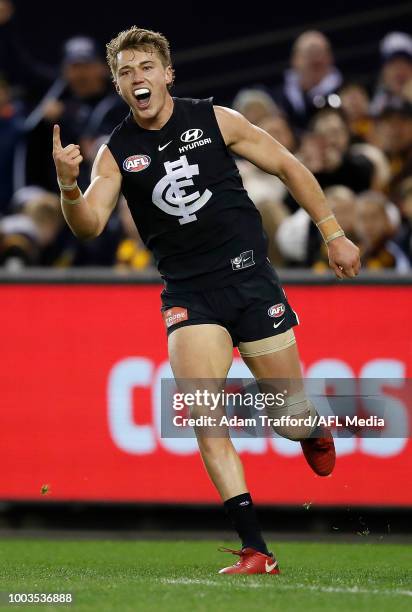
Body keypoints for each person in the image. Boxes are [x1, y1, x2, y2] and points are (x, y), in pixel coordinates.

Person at [52, 26, 360, 575]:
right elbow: (89, 224)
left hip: (249, 281)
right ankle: (256, 550)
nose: (136, 78)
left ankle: (311, 429)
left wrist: (333, 232)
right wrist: (69, 186)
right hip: (190, 295)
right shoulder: (115, 151)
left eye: (145, 66)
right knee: (203, 412)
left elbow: (288, 165)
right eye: (125, 72)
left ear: (167, 73)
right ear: (119, 87)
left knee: (289, 419)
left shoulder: (214, 119)